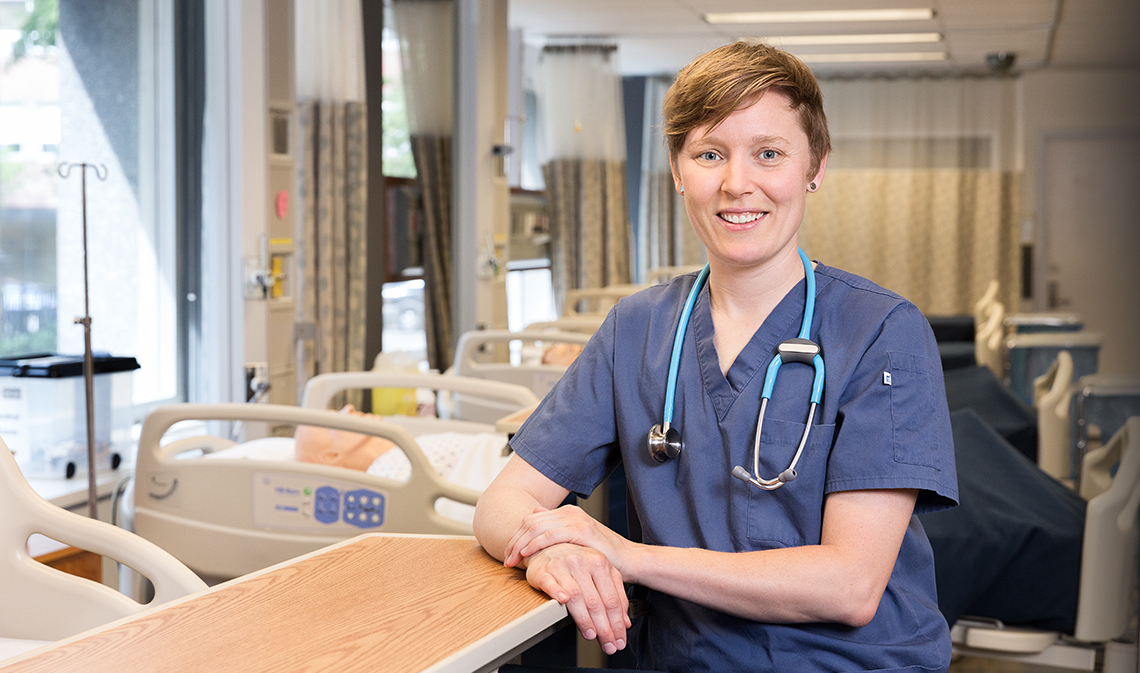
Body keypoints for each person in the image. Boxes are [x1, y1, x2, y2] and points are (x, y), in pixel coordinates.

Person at [472, 40, 959, 672]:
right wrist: (552, 552)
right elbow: (501, 504)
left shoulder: (881, 330)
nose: (737, 184)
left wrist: (624, 553)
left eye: (768, 153)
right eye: (708, 154)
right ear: (677, 170)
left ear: (815, 165)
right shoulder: (636, 329)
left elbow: (850, 585)